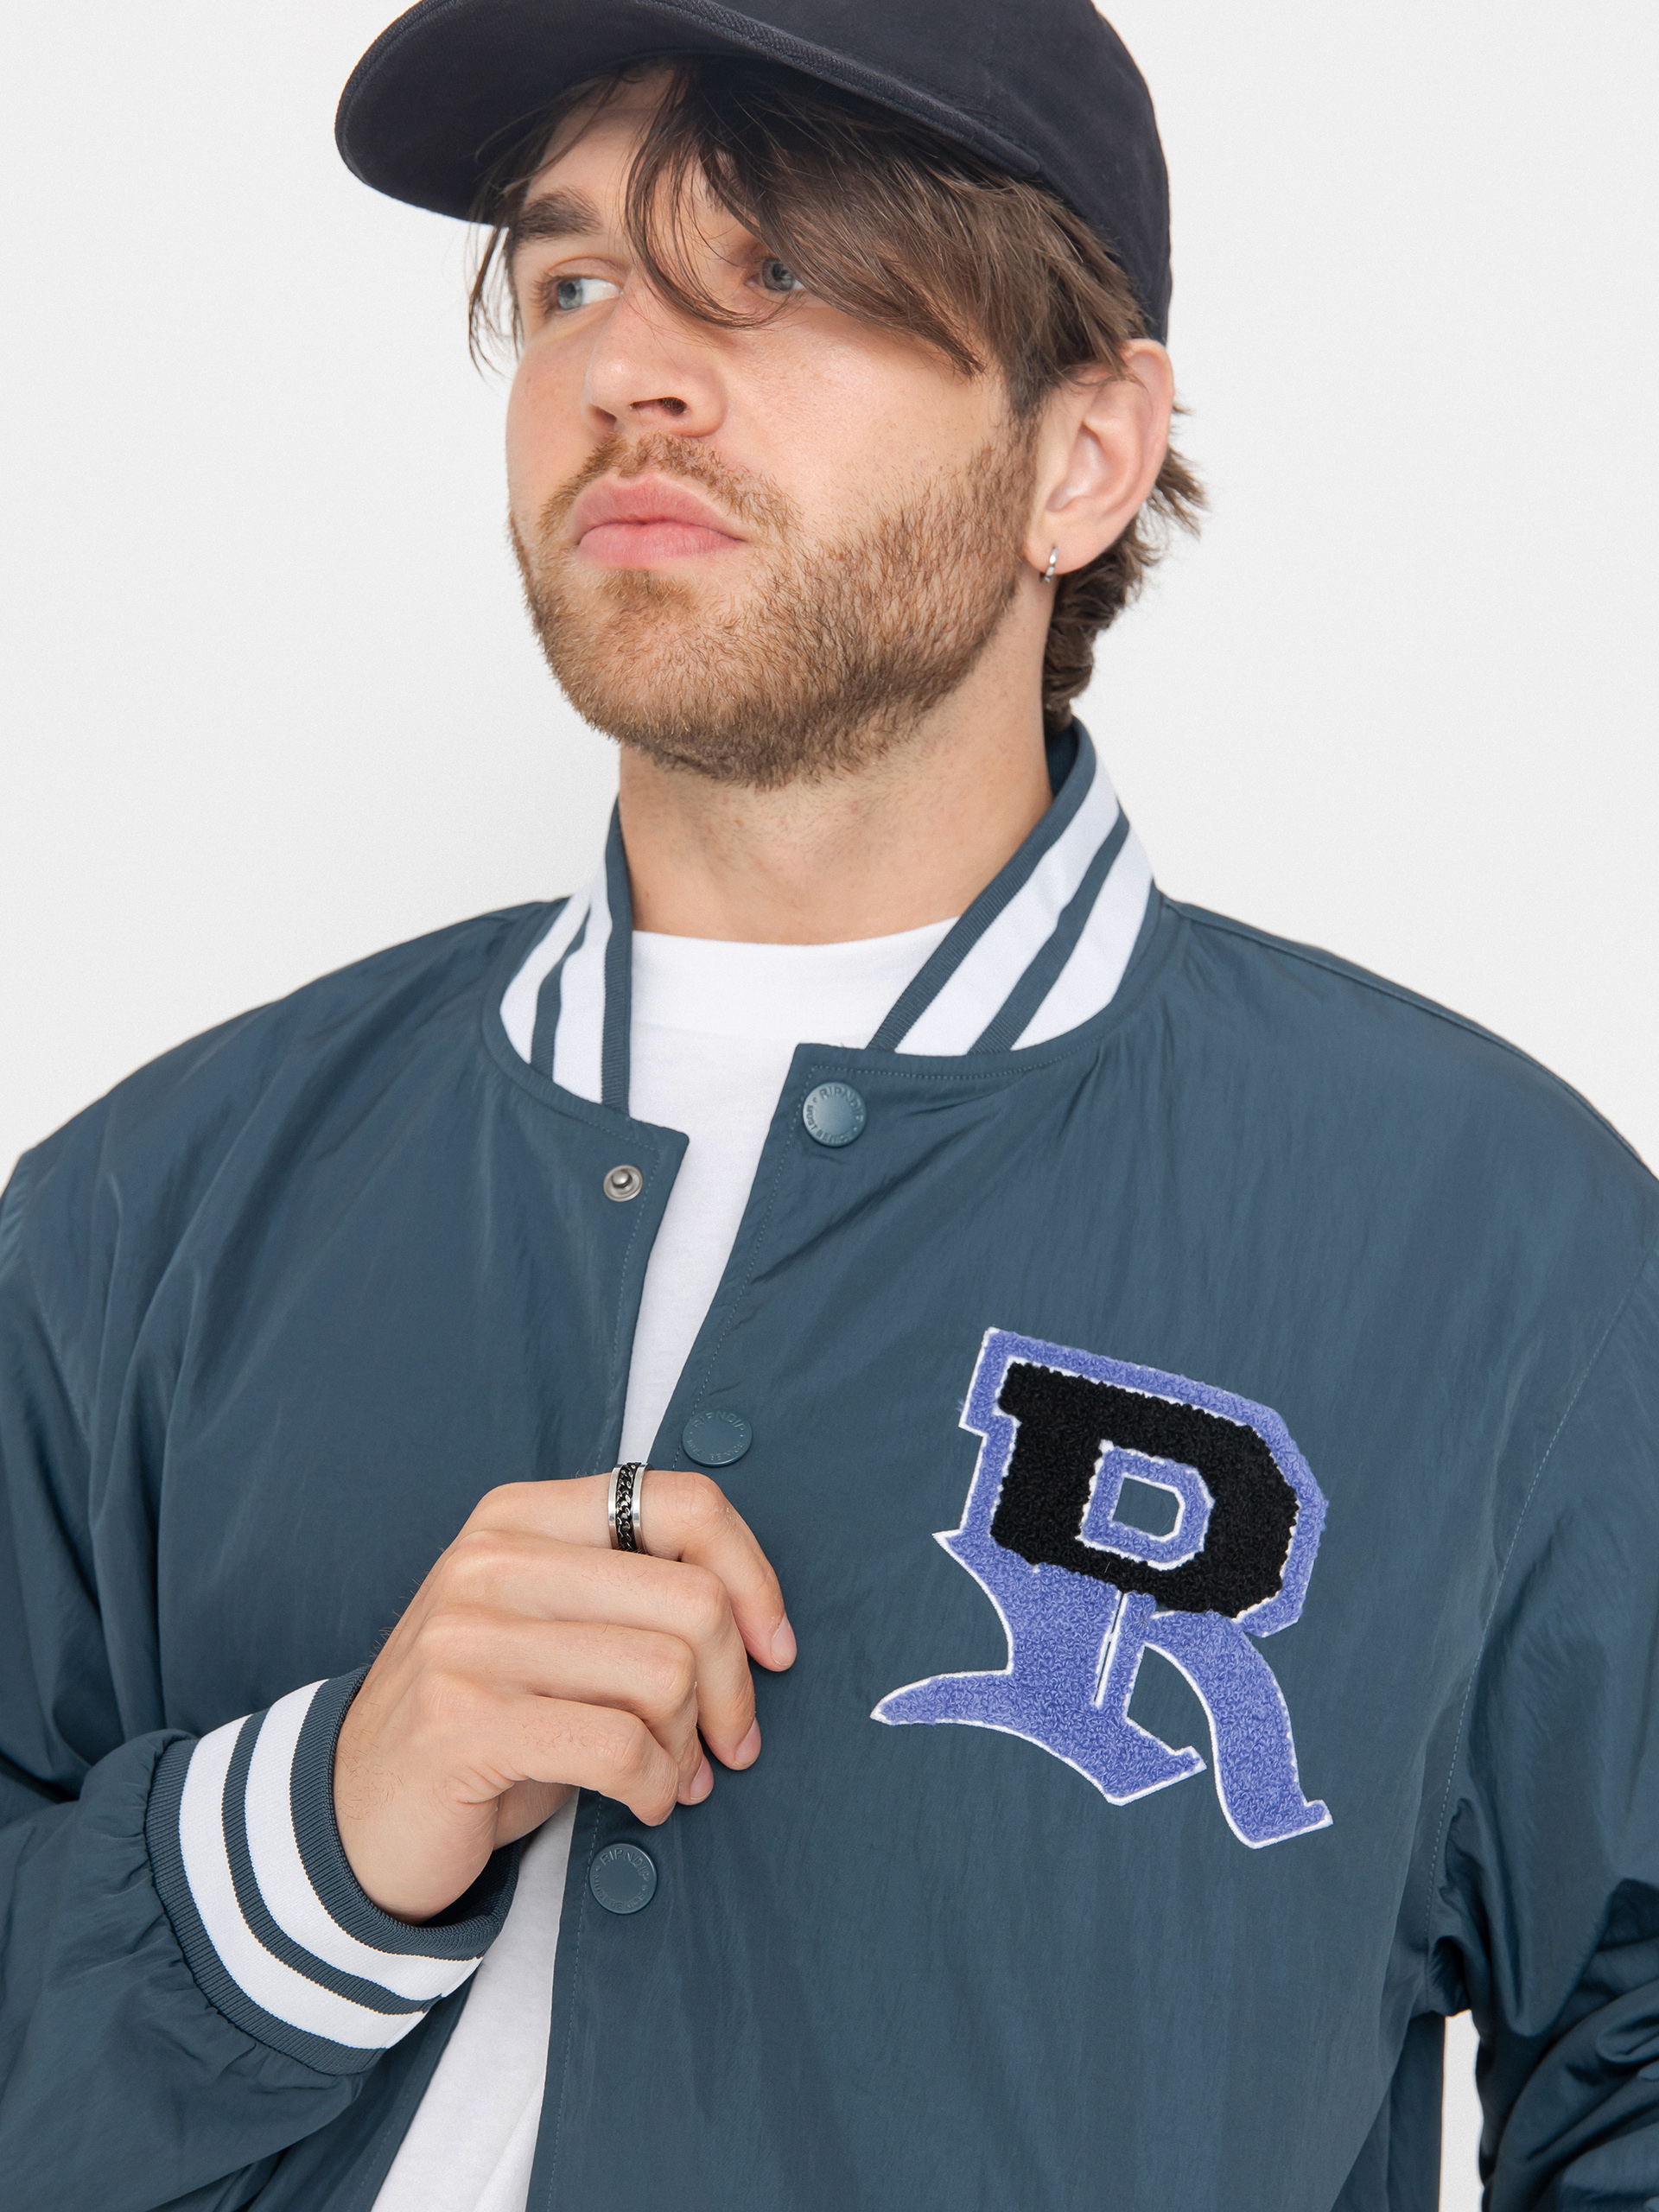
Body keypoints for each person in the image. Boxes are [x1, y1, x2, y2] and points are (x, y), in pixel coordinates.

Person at [1, 3, 1656, 2208]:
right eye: (572, 280)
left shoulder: (1496, 1239)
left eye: (775, 273)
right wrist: (304, 1842)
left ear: (1082, 455)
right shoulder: (148, 1209)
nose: (627, 369)